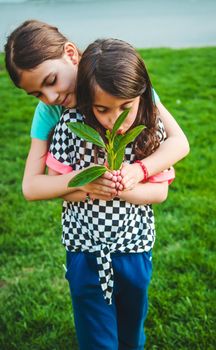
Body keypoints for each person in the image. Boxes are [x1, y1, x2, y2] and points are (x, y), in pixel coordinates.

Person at [45, 38, 184, 349]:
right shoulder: (71, 129)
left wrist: (127, 186)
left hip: (134, 248)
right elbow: (58, 187)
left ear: (141, 97)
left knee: (131, 330)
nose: (115, 119)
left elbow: (159, 194)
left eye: (125, 108)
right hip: (85, 250)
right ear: (86, 101)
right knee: (97, 337)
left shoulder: (147, 129)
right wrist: (86, 183)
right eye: (103, 109)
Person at [4, 19, 189, 203]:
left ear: (70, 54)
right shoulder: (48, 111)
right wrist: (83, 181)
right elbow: (30, 187)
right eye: (37, 94)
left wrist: (140, 170)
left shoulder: (119, 87)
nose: (51, 98)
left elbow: (179, 142)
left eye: (51, 80)